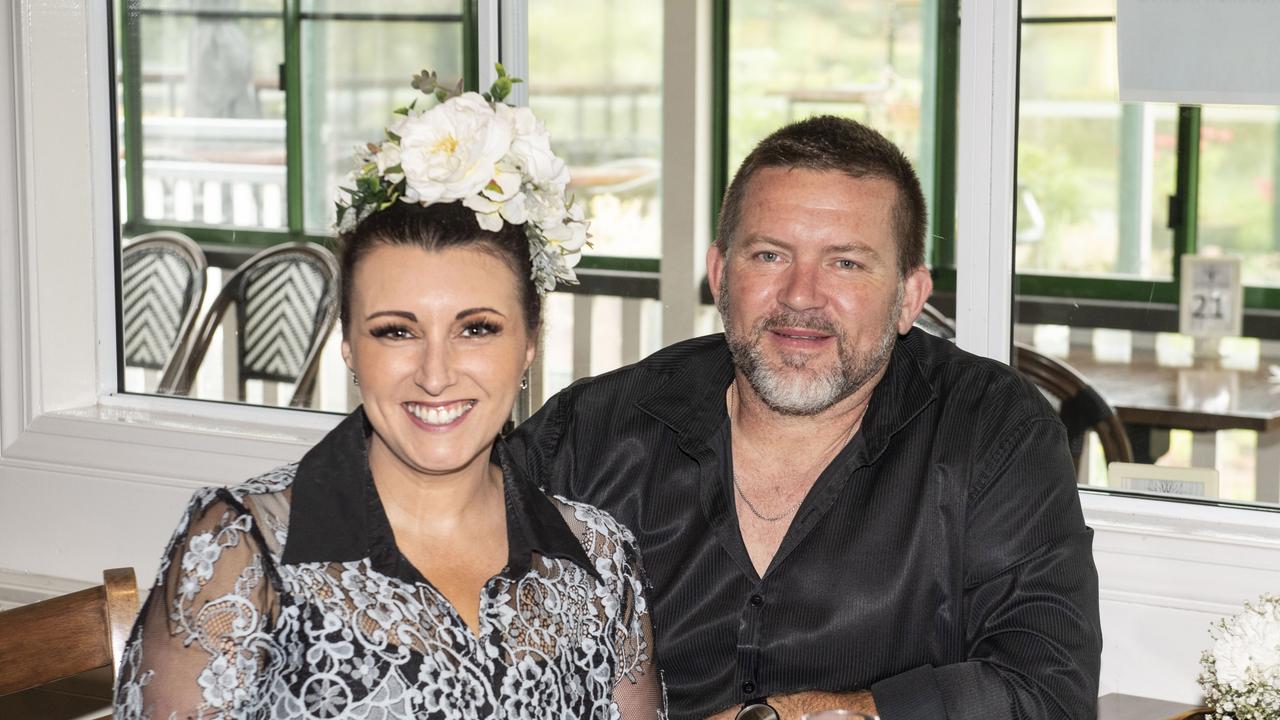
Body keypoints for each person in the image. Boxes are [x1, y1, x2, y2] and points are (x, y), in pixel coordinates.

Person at [508, 115, 1102, 719]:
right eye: (769, 255)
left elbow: (1047, 693)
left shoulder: (992, 431)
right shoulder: (591, 430)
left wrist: (800, 717)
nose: (800, 295)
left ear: (909, 297)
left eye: (845, 263)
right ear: (719, 276)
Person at [114, 72, 665, 719]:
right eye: (397, 331)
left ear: (529, 346)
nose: (436, 373)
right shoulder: (245, 551)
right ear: (349, 346)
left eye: (477, 328)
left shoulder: (599, 561)